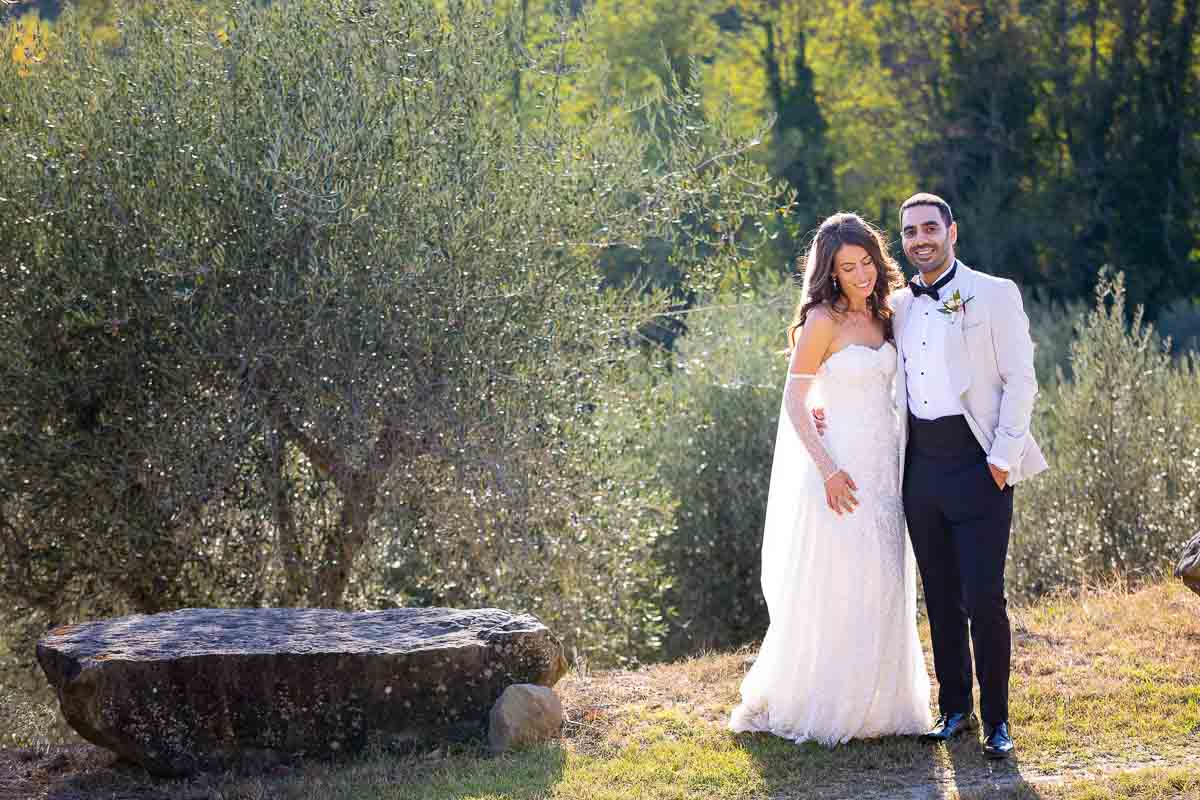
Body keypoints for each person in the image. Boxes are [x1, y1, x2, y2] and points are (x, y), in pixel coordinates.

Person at [816, 193, 1047, 759]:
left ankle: (997, 720)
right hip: (917, 468)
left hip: (980, 464)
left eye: (929, 228)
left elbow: (1022, 381)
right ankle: (955, 711)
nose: (920, 239)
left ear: (951, 231)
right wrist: (823, 405)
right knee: (941, 598)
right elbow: (846, 353)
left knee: (984, 596)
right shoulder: (897, 304)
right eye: (910, 231)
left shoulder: (993, 294)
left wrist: (1002, 457)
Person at [728, 212, 931, 745]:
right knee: (842, 582)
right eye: (848, 267)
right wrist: (827, 468)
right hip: (840, 468)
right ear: (831, 272)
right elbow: (795, 398)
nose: (861, 275)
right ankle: (834, 702)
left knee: (884, 578)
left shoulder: (887, 315)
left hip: (885, 467)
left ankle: (885, 705)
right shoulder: (822, 319)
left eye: (867, 262)